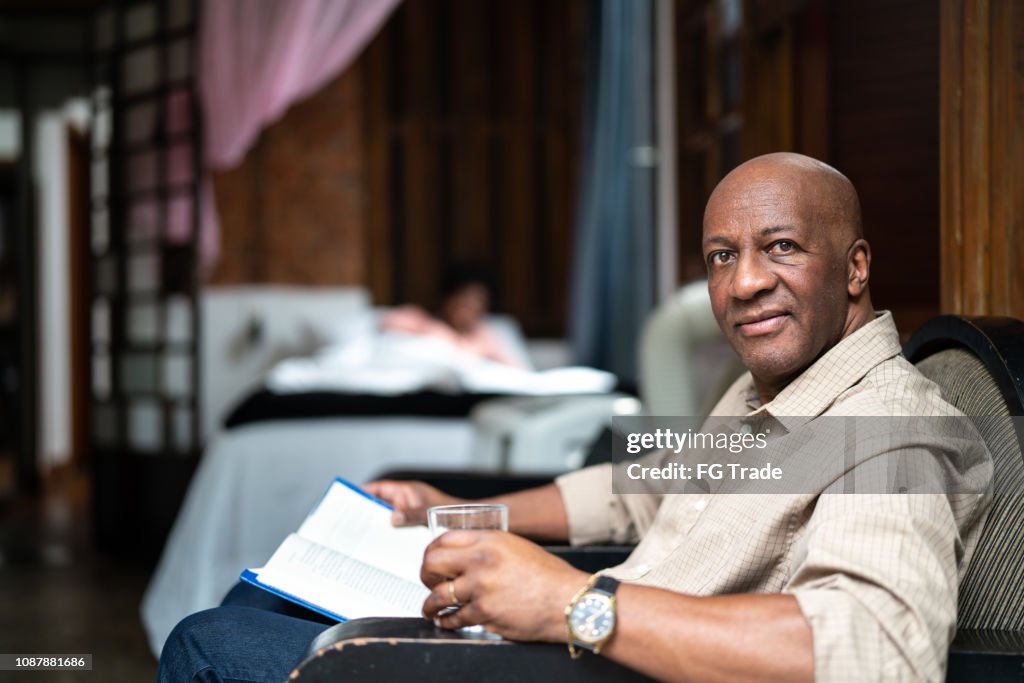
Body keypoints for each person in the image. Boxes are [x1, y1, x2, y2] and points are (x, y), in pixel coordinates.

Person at [158, 153, 992, 682]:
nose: (741, 285)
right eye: (721, 256)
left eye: (780, 247)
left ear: (854, 267)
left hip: (602, 653)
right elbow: (631, 492)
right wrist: (441, 510)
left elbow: (876, 652)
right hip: (586, 631)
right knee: (260, 599)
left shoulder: (899, 430)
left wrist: (573, 602)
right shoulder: (766, 394)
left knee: (208, 642)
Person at [379, 268, 524, 367]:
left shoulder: (484, 336)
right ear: (447, 299)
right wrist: (432, 331)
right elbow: (385, 323)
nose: (468, 311)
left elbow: (516, 371)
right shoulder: (422, 322)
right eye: (463, 303)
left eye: (478, 304)